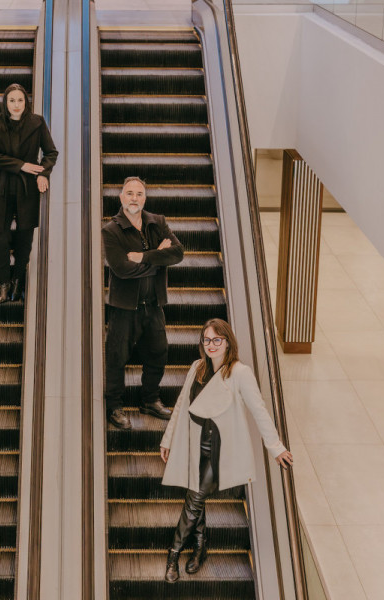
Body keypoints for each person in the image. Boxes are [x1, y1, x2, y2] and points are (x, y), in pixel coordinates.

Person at [159, 318, 294, 583]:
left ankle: (173, 553)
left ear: (228, 342)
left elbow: (259, 411)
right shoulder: (197, 367)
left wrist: (276, 447)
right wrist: (168, 439)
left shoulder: (239, 373)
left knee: (195, 497)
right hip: (192, 443)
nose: (211, 345)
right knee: (195, 497)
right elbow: (181, 403)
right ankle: (200, 548)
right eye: (206, 340)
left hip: (218, 450)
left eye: (216, 340)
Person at [102, 177, 184, 430]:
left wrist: (143, 257)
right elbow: (122, 270)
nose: (134, 198)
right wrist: (158, 259)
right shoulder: (111, 231)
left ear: (144, 198)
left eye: (139, 193)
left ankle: (150, 400)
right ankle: (115, 406)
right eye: (129, 193)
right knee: (117, 358)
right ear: (121, 197)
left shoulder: (156, 222)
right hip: (124, 307)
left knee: (158, 354)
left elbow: (178, 253)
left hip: (154, 305)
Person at [0, 83, 58, 304]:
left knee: (25, 236)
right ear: (6, 103)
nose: (16, 105)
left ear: (26, 102)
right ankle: (4, 285)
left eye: (20, 100)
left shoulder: (36, 122)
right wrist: (22, 165)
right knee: (0, 237)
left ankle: (18, 282)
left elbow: (51, 151)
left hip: (28, 187)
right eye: (12, 101)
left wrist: (43, 173)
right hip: (1, 185)